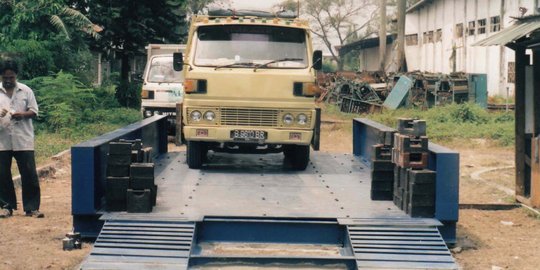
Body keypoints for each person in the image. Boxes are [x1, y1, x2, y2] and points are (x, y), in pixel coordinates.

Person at [0, 60, 43, 218]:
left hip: (23, 139)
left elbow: (34, 112)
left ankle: (32, 207)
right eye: (5, 77)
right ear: (1, 77)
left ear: (16, 76)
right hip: (2, 140)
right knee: (2, 175)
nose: (8, 80)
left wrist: (21, 115)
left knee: (29, 174)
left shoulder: (25, 90)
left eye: (11, 77)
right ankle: (6, 206)